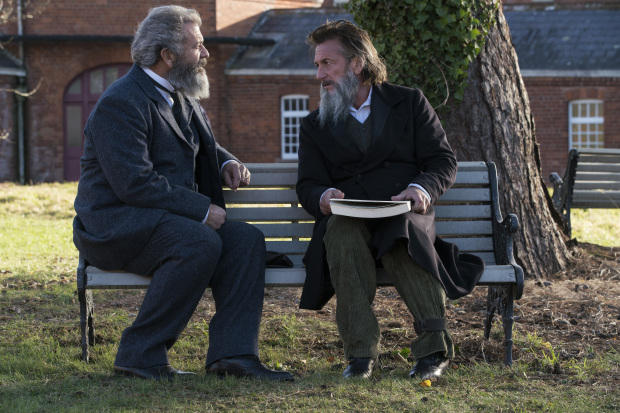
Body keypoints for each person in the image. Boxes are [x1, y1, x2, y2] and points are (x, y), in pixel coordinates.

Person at [73, 5, 292, 382]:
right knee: (199, 242)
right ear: (168, 55)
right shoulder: (121, 103)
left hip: (164, 223)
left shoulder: (180, 94)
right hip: (116, 227)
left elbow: (197, 143)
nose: (205, 53)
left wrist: (224, 161)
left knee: (246, 241)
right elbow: (134, 182)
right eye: (197, 45)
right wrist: (202, 210)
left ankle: (233, 355)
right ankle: (140, 355)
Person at [296, 20, 484, 381]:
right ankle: (360, 355)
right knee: (340, 233)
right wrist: (322, 196)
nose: (319, 74)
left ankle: (433, 350)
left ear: (356, 63)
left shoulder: (408, 102)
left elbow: (442, 161)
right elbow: (308, 184)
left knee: (402, 236)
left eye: (327, 63)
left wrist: (421, 189)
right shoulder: (315, 124)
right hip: (349, 216)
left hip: (402, 209)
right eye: (317, 65)